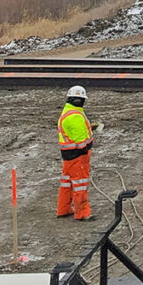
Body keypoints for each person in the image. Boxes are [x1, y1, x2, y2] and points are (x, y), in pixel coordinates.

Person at [57, 85, 94, 221]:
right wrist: (88, 144)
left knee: (67, 183)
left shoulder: (68, 112)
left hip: (68, 155)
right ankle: (82, 213)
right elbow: (81, 142)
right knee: (80, 184)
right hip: (78, 155)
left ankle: (63, 209)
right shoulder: (75, 116)